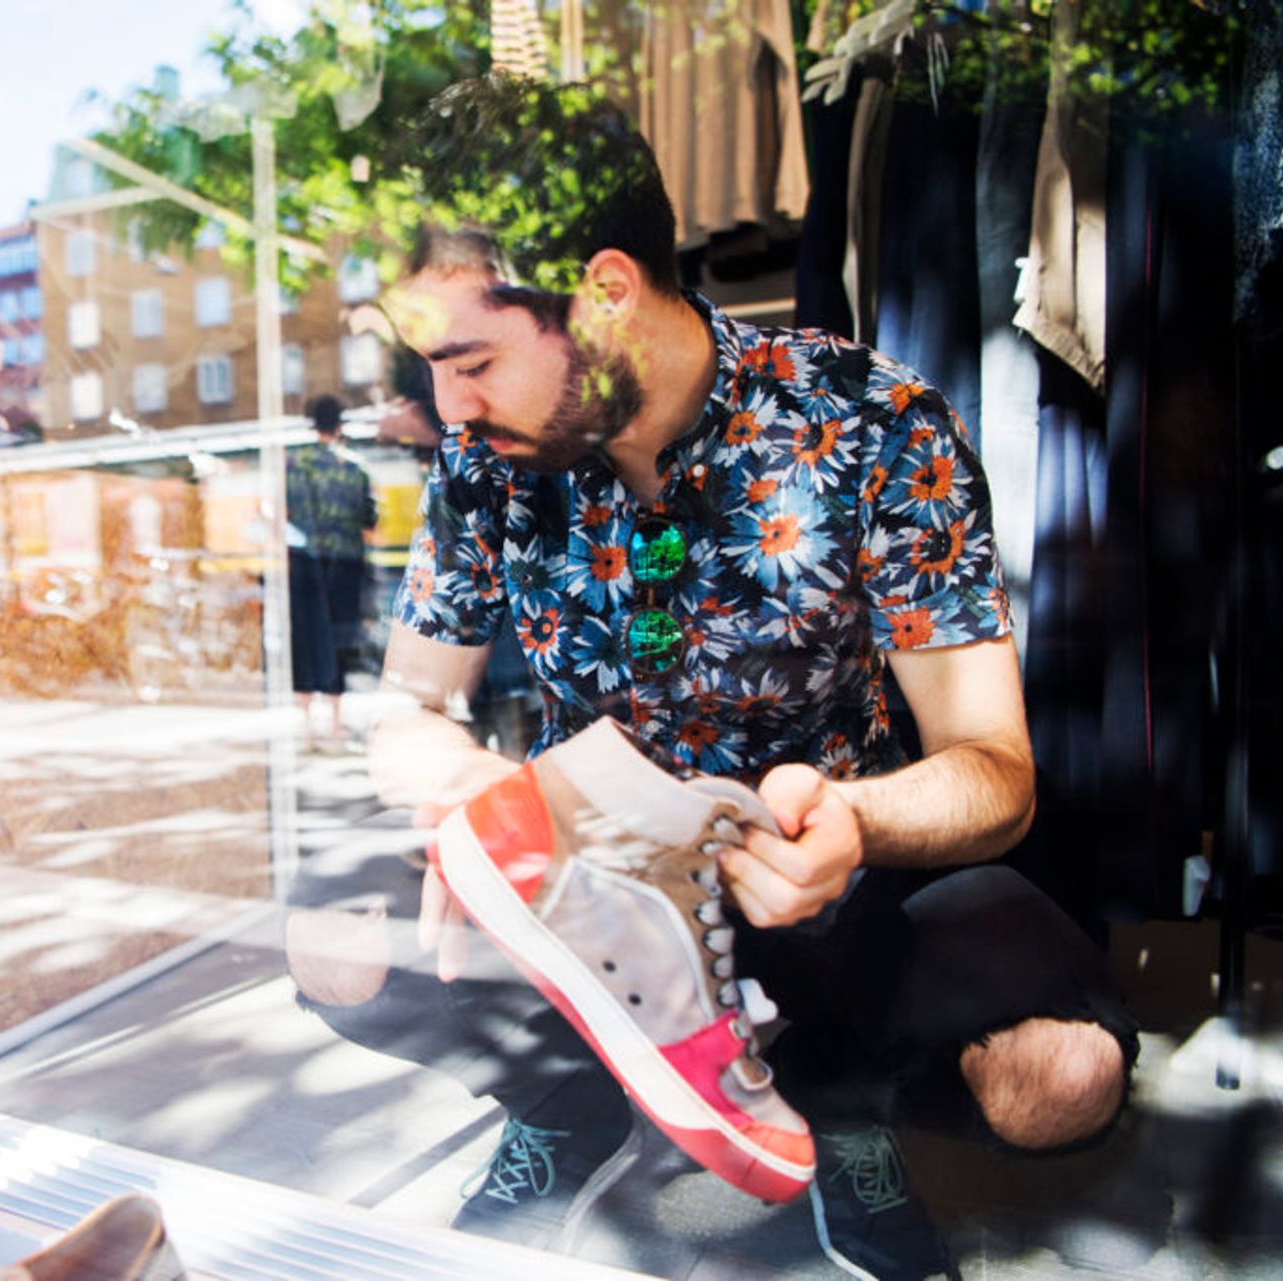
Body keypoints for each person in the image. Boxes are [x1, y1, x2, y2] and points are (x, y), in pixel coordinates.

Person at [284, 76, 1138, 1279]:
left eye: (470, 359)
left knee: (1064, 1079)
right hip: (602, 916)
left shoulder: (873, 421)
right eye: (431, 364)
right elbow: (409, 709)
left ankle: (841, 1116)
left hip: (832, 897)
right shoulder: (484, 462)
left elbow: (997, 774)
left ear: (607, 293)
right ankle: (569, 1109)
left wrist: (855, 820)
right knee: (331, 932)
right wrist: (474, 794)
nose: (447, 407)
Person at [286, 394, 376, 751]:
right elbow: (370, 520)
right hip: (345, 567)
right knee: (338, 642)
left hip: (305, 564)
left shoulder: (294, 464)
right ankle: (336, 731)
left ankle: (306, 730)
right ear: (340, 425)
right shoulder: (355, 468)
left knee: (306, 641)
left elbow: (284, 514)